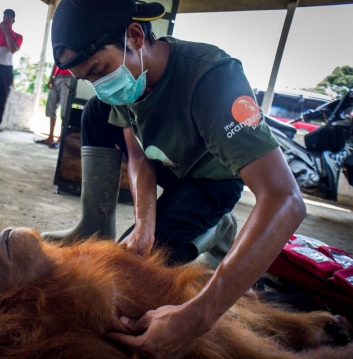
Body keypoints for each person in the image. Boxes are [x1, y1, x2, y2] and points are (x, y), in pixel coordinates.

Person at [44, 0, 307, 357]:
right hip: (167, 161)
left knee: (140, 282)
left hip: (212, 181)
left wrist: (200, 315)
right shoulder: (124, 81)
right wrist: (143, 222)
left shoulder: (213, 78)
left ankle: (215, 229)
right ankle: (94, 226)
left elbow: (286, 199)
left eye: (98, 70)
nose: (98, 84)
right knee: (95, 112)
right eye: (87, 78)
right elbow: (137, 157)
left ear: (135, 36)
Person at [35, 65, 72, 148]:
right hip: (56, 77)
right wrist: (51, 77)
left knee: (64, 110)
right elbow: (56, 62)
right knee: (51, 107)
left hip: (69, 78)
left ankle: (60, 140)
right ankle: (50, 137)